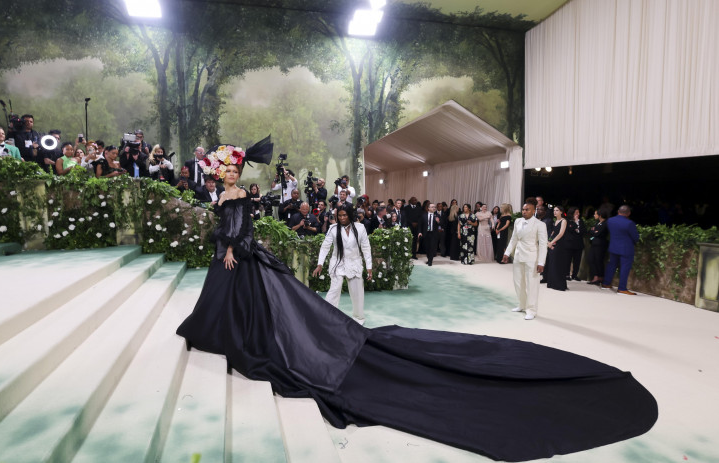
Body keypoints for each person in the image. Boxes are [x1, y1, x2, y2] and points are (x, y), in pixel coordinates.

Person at [175, 152, 657, 462]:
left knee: (297, 307)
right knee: (252, 303)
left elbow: (241, 230)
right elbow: (228, 228)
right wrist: (228, 246)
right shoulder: (225, 195)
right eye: (228, 172)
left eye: (235, 172)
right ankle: (224, 333)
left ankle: (257, 337)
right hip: (230, 256)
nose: (232, 177)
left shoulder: (241, 198)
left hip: (239, 255)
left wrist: (234, 248)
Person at [313, 202, 372, 324]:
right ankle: (327, 318)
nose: (341, 218)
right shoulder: (333, 229)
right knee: (334, 290)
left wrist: (369, 267)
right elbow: (325, 247)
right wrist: (320, 264)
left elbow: (366, 248)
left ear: (350, 215)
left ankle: (358, 318)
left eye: (344, 215)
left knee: (357, 294)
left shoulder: (360, 228)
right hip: (337, 263)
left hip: (354, 263)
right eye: (339, 215)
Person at [502, 199, 548, 320]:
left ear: (534, 211)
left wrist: (541, 262)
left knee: (532, 284)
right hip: (518, 256)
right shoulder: (517, 221)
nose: (524, 211)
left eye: (527, 209)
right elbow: (514, 239)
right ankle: (522, 304)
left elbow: (543, 245)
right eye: (523, 209)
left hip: (532, 258)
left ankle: (531, 310)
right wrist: (507, 253)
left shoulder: (540, 225)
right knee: (518, 282)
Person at [602, 205, 640, 295]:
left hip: (613, 247)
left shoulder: (610, 220)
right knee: (625, 268)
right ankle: (622, 288)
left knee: (611, 265)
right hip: (626, 249)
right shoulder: (629, 223)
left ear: (618, 211)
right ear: (628, 213)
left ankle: (606, 283)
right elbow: (636, 237)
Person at [545, 205, 570, 291]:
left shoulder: (564, 221)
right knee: (552, 263)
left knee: (558, 264)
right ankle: (552, 283)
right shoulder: (555, 221)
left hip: (560, 245)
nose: (555, 212)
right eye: (554, 210)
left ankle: (559, 284)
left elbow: (560, 234)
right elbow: (553, 233)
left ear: (561, 212)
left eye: (557, 210)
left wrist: (551, 242)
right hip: (553, 244)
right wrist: (549, 241)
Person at [587, 209, 609, 285]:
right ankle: (596, 276)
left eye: (595, 214)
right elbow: (591, 231)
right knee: (591, 259)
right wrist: (594, 231)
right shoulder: (597, 223)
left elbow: (598, 233)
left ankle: (599, 277)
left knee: (598, 260)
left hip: (600, 245)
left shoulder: (605, 223)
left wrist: (594, 232)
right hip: (594, 244)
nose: (594, 215)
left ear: (600, 215)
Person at [417, 202, 441, 266]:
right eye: (432, 207)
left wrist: (438, 222)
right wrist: (419, 232)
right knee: (427, 247)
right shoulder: (423, 215)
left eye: (434, 207)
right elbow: (420, 225)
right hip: (425, 233)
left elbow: (441, 225)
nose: (434, 208)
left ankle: (430, 261)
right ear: (428, 208)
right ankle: (429, 258)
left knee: (432, 247)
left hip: (433, 234)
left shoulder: (437, 216)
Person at [566, 207, 585, 280]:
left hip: (578, 244)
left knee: (577, 261)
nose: (578, 214)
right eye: (576, 213)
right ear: (572, 213)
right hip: (569, 244)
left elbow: (583, 231)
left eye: (578, 212)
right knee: (568, 260)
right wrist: (576, 226)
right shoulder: (568, 221)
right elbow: (570, 230)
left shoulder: (581, 221)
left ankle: (574, 275)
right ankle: (567, 274)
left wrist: (577, 226)